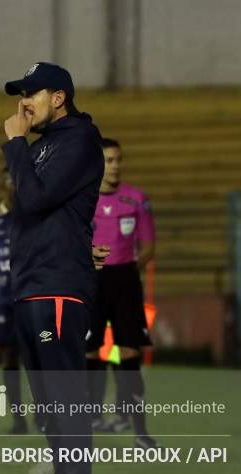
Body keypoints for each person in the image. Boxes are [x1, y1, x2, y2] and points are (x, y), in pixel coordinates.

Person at [2, 62, 105, 474]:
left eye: (31, 93)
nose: (23, 102)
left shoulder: (79, 140)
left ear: (58, 97)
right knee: (48, 406)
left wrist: (14, 146)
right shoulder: (44, 147)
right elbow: (29, 205)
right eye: (19, 94)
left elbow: (37, 200)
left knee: (65, 401)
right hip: (31, 287)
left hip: (57, 287)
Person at [85, 138, 159, 450]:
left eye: (118, 160)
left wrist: (126, 267)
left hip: (126, 281)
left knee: (129, 354)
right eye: (109, 160)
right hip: (91, 281)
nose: (115, 166)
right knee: (88, 353)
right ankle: (90, 420)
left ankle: (140, 431)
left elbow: (149, 246)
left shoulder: (137, 199)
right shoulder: (81, 199)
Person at [0, 168, 44, 434]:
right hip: (3, 296)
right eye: (11, 181)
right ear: (4, 184)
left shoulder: (37, 217)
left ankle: (42, 416)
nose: (15, 186)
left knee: (36, 356)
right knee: (9, 357)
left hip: (33, 295)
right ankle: (18, 419)